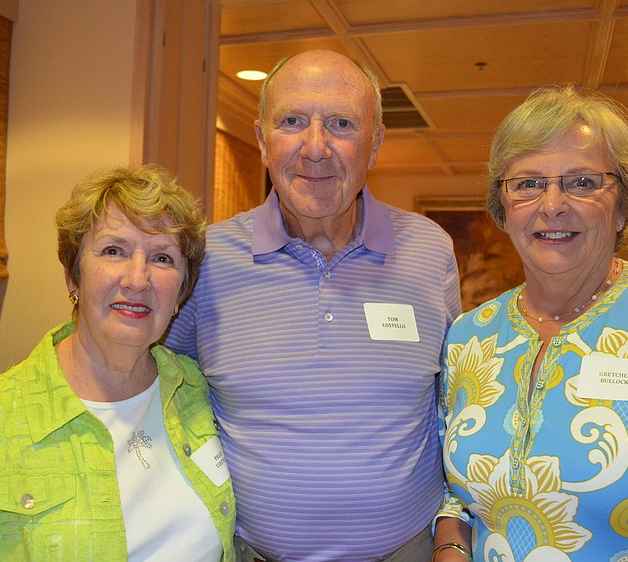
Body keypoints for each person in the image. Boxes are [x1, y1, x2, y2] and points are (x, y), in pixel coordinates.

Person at [163, 50, 461, 561]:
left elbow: (454, 405)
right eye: (292, 122)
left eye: (341, 124)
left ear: (374, 144)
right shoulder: (207, 259)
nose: (316, 148)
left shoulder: (429, 250)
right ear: (262, 141)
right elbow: (155, 392)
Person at [435, 85, 628, 561]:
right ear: (503, 208)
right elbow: (456, 490)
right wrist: (451, 545)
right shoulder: (469, 336)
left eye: (582, 182)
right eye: (528, 183)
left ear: (623, 205)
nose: (552, 204)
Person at [0, 166, 236, 561]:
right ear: (73, 276)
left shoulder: (198, 392)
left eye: (162, 258)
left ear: (182, 291)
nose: (138, 279)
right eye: (113, 250)